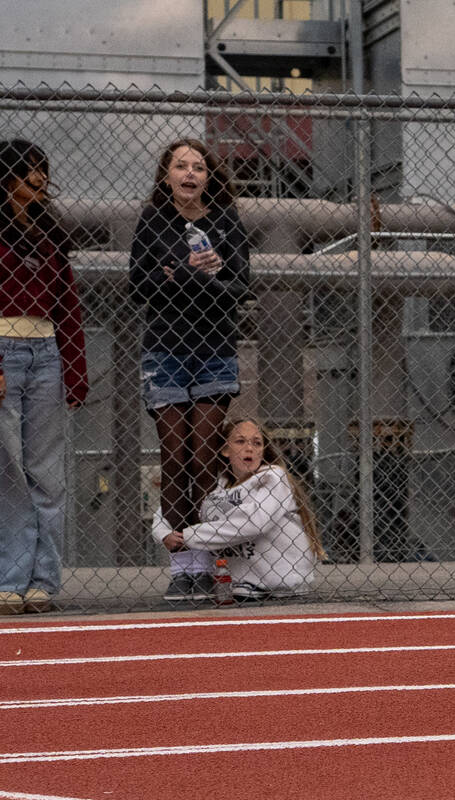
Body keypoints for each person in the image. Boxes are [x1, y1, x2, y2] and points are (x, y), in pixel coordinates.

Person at [129, 139, 249, 602]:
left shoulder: (225, 219)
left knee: (203, 459)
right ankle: (183, 567)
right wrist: (182, 271)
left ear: (209, 176)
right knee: (174, 457)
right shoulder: (153, 220)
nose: (190, 173)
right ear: (166, 175)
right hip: (166, 350)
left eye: (199, 166)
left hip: (215, 347)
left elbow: (241, 285)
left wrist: (211, 275)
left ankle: (205, 561)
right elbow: (139, 284)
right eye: (181, 165)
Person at [0, 140, 88, 615]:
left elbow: (68, 309)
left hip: (47, 354)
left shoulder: (50, 235)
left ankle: (42, 582)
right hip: (4, 353)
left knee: (48, 474)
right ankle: (9, 579)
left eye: (43, 170)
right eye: (28, 170)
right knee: (10, 471)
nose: (39, 179)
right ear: (6, 175)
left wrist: (76, 373)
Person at [156, 418, 324, 599]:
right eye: (240, 441)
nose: (249, 448)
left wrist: (189, 537)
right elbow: (171, 506)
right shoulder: (218, 484)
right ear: (225, 450)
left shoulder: (273, 477)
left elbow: (254, 522)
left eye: (257, 443)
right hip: (241, 583)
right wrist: (163, 533)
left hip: (283, 577)